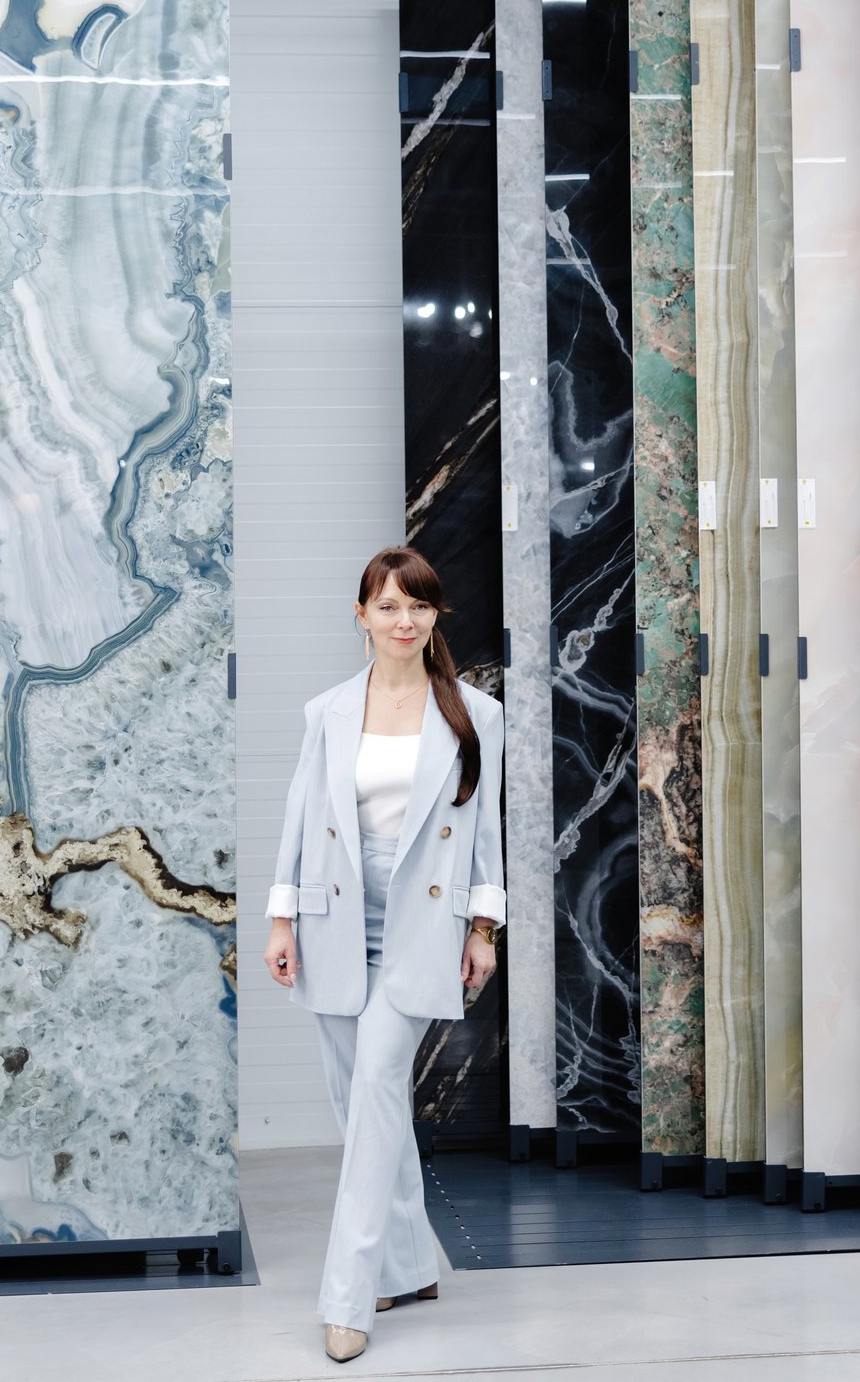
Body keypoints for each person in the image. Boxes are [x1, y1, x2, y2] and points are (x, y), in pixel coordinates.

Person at [263, 545, 506, 1364]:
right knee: (360, 1102)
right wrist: (281, 918)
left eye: (419, 607)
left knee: (374, 1086)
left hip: (419, 925)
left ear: (435, 617)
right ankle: (410, 1266)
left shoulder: (474, 712)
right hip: (334, 918)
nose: (405, 621)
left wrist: (483, 928)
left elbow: (484, 832)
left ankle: (348, 1297)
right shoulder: (327, 710)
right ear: (361, 617)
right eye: (389, 607)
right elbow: (301, 818)